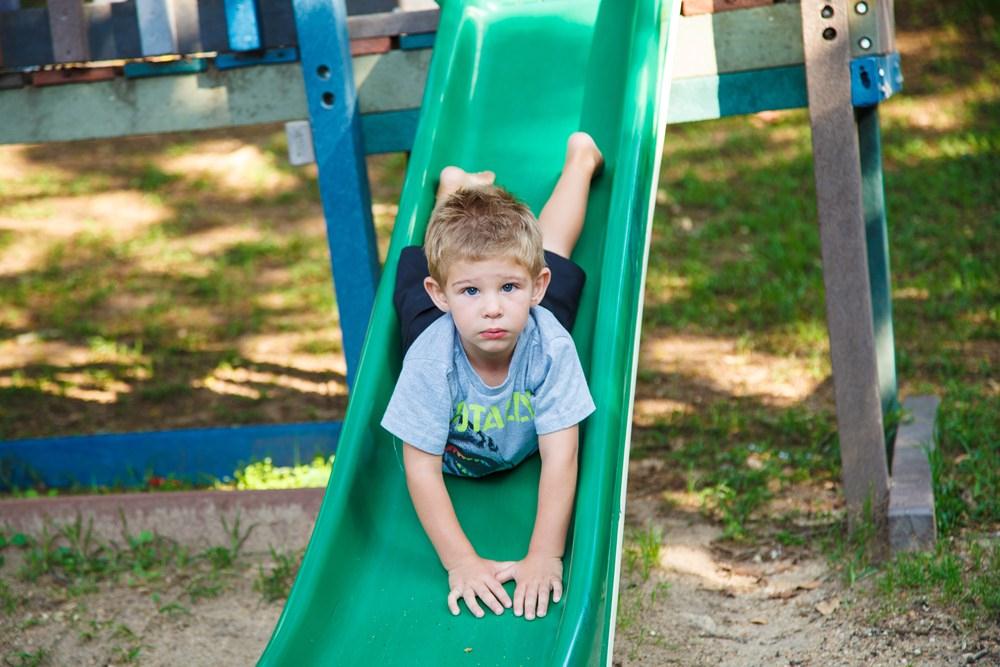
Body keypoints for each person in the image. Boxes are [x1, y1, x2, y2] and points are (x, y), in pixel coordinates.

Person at [381, 132, 604, 622]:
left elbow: (562, 454)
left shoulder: (549, 345)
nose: (492, 308)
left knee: (554, 248)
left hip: (532, 324)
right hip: (439, 333)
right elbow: (419, 466)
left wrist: (546, 554)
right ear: (443, 295)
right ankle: (451, 189)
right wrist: (460, 561)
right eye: (470, 292)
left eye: (509, 286)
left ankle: (581, 162)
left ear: (533, 288)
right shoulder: (430, 354)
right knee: (426, 262)